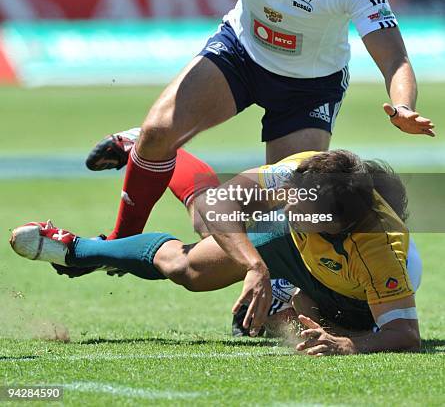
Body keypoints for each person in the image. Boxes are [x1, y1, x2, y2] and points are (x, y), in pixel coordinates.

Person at [40, 0, 434, 244]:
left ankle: (265, 279)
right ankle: (119, 242)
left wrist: (402, 105)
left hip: (310, 88)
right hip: (241, 53)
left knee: (273, 220)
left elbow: (394, 56)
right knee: (158, 134)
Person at [10, 149, 421, 355]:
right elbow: (223, 203)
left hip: (355, 295)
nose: (288, 208)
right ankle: (79, 249)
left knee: (284, 327)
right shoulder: (301, 172)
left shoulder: (378, 247)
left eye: (303, 210)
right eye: (291, 199)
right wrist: (253, 265)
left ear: (337, 223)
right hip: (301, 255)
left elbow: (404, 333)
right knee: (190, 267)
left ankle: (287, 296)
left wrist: (351, 344)